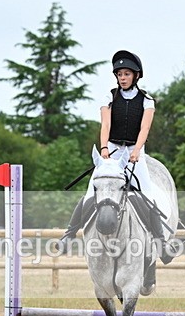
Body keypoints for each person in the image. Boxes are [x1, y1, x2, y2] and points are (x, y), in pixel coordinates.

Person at [57, 50, 173, 255]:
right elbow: (106, 124)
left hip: (134, 151)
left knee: (147, 194)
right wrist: (104, 149)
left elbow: (144, 129)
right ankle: (69, 234)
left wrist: (137, 150)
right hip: (111, 148)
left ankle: (161, 242)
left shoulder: (147, 100)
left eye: (127, 74)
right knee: (89, 195)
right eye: (119, 74)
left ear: (136, 76)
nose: (123, 78)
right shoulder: (109, 96)